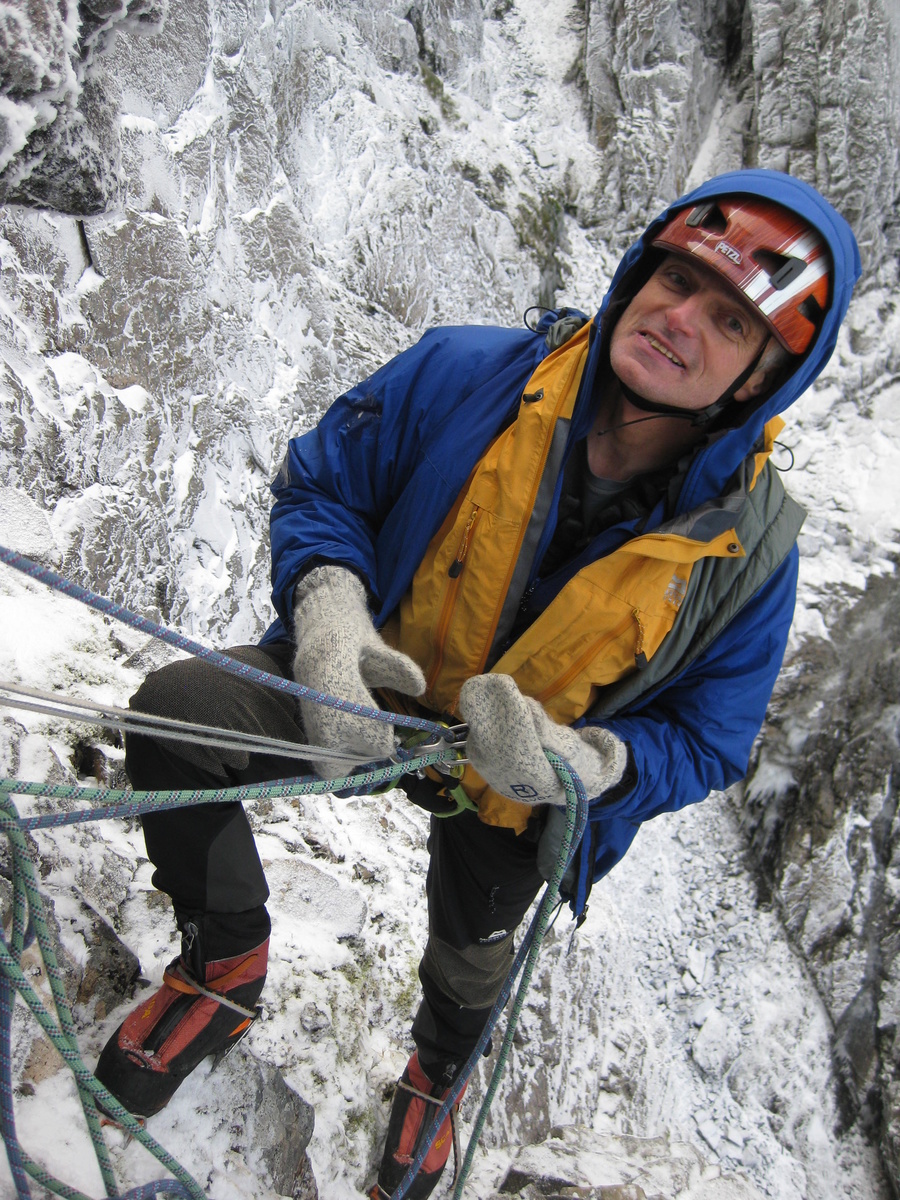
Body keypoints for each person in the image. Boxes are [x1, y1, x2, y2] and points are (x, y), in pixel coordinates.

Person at [94, 169, 860, 1198]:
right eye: (678, 281)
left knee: (472, 960)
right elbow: (327, 486)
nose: (680, 319)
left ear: (763, 379)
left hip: (514, 781)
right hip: (368, 683)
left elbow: (709, 738)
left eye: (730, 322)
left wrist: (588, 764)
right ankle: (225, 959)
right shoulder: (468, 374)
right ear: (638, 275)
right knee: (179, 715)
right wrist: (330, 612)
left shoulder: (750, 553)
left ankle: (437, 1075)